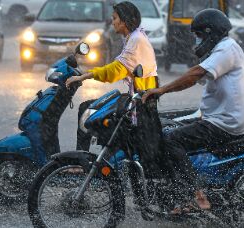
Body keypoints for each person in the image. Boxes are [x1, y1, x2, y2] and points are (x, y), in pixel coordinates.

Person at [142, 9, 244, 214]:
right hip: (222, 119)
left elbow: (195, 74)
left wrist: (161, 90)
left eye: (199, 35)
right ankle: (174, 189)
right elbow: (195, 78)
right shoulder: (223, 50)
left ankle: (194, 195)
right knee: (173, 125)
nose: (196, 40)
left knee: (171, 140)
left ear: (211, 33)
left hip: (225, 124)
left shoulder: (227, 49)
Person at [66, 2, 164, 205]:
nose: (112, 22)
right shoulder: (133, 38)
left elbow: (115, 70)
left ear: (125, 21)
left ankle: (88, 165)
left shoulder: (136, 40)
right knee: (93, 112)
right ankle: (104, 168)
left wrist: (84, 76)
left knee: (93, 113)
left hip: (142, 104)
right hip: (137, 100)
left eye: (115, 19)